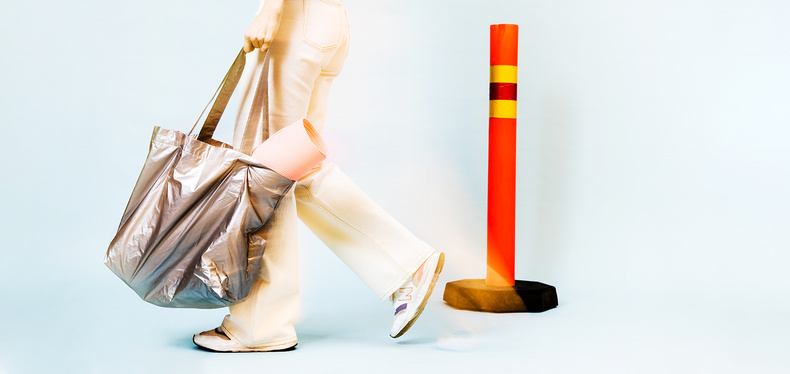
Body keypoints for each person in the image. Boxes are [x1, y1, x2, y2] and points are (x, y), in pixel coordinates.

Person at [192, 0, 445, 352]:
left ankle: (261, 326)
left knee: (266, 174)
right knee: (294, 165)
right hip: (328, 21)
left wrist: (270, 9)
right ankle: (406, 264)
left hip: (294, 20)